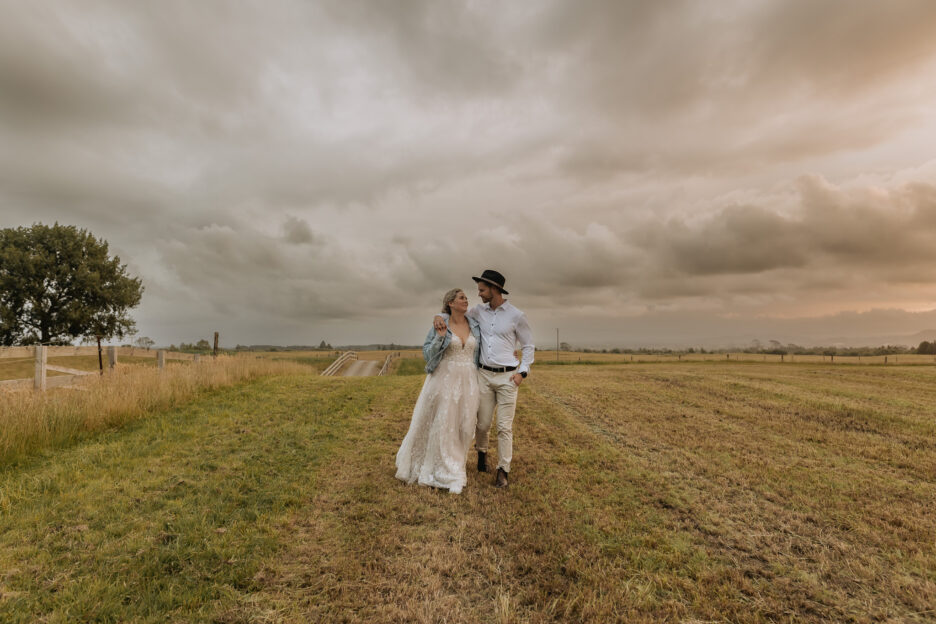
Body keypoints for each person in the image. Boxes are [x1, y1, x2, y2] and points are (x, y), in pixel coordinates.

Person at [434, 269, 534, 489]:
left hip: (509, 377)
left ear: (494, 289)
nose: (478, 294)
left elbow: (528, 346)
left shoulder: (517, 315)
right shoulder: (478, 312)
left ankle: (503, 471)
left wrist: (521, 372)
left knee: (504, 427)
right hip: (483, 376)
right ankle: (481, 456)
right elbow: (455, 314)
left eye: (482, 290)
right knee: (483, 423)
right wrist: (439, 317)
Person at [395, 288, 482, 494]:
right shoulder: (440, 324)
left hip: (469, 381)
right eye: (461, 298)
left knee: (465, 425)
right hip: (444, 379)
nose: (466, 300)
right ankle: (451, 473)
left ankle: (458, 462)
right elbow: (428, 354)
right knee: (445, 423)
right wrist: (440, 338)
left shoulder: (475, 324)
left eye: (466, 298)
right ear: (450, 303)